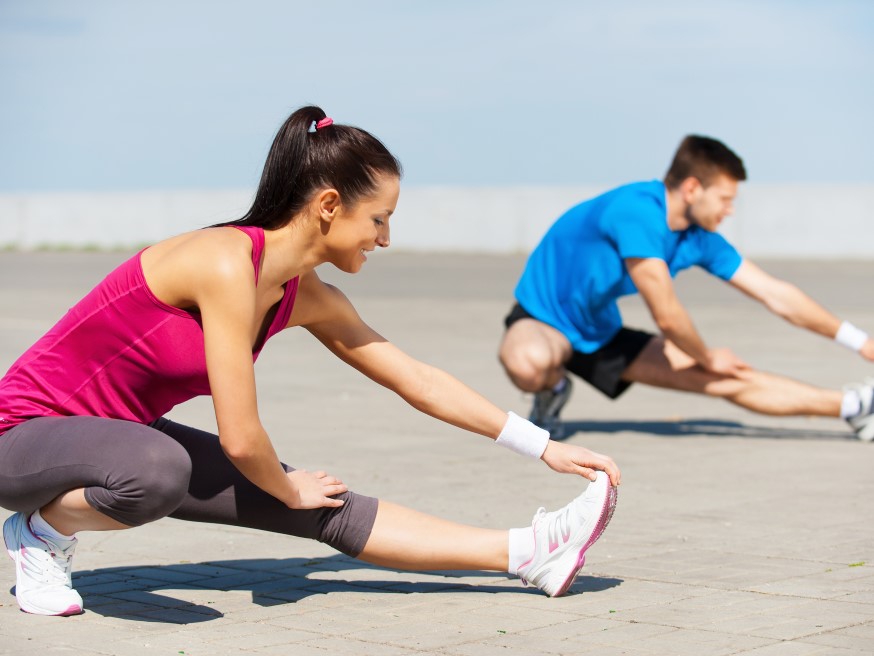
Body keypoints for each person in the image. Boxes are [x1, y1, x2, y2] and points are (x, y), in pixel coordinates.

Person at [0, 106, 620, 617]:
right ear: (329, 206)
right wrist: (283, 485)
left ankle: (528, 552)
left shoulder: (307, 295)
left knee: (320, 504)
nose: (384, 239)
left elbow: (416, 379)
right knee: (170, 471)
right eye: (378, 219)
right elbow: (243, 440)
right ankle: (40, 535)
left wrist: (542, 446)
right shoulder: (221, 264)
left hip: (121, 439)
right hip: (21, 436)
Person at [499, 135, 874, 440]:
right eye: (725, 199)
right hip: (544, 318)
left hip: (600, 332)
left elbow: (775, 294)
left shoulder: (699, 237)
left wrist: (859, 341)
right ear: (693, 188)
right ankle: (552, 391)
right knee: (528, 363)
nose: (730, 211)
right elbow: (666, 315)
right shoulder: (636, 211)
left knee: (727, 380)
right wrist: (707, 356)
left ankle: (855, 405)